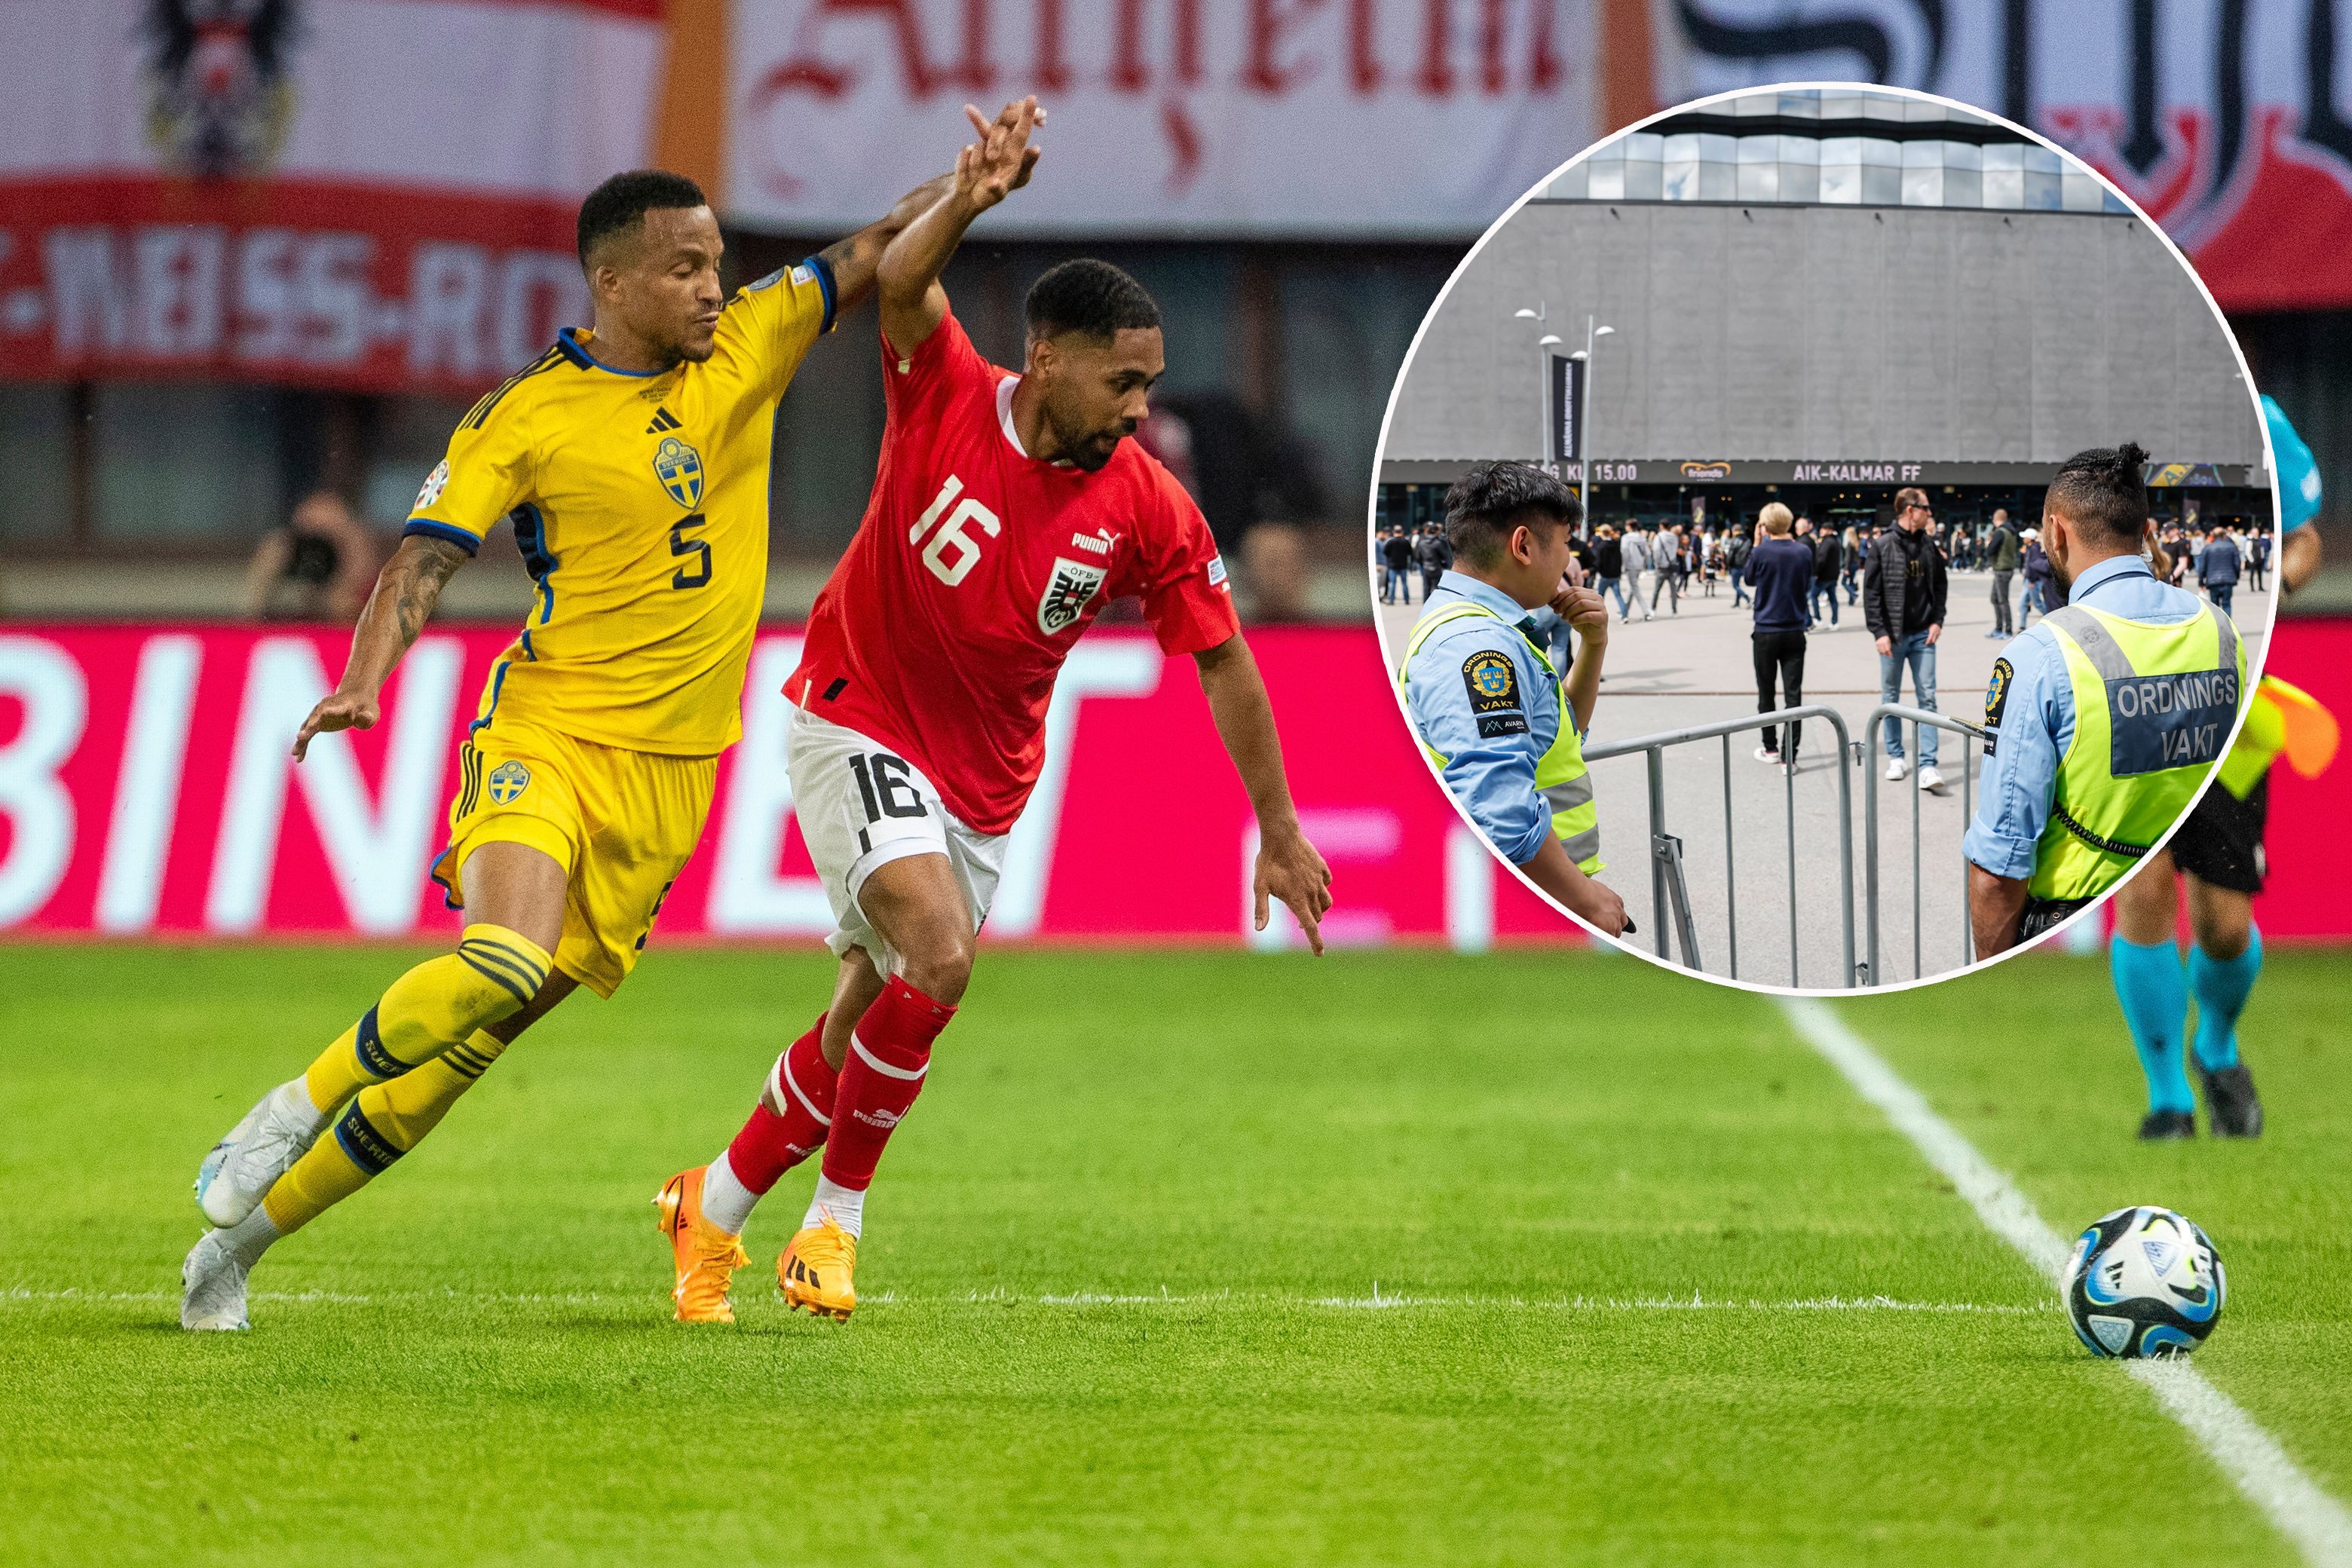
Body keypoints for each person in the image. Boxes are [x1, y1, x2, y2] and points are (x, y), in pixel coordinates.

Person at [179, 139, 977, 1331]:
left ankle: (235, 1250)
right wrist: (365, 678)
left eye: (717, 263)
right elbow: (425, 556)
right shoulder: (529, 415)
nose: (715, 287)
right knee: (501, 958)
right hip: (547, 731)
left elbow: (872, 252)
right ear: (611, 283)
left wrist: (969, 189)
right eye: (684, 268)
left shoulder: (753, 340)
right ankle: (285, 1110)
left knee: (469, 1046)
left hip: (671, 778)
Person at [657, 135, 1333, 1325]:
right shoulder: (947, 391)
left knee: (865, 1016)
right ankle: (835, 1228)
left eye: (1151, 382)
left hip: (982, 791)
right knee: (941, 955)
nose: (1142, 407)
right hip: (850, 715)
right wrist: (968, 199)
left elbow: (1222, 658)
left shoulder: (1147, 505)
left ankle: (708, 1207)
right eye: (1123, 382)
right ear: (1046, 358)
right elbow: (906, 285)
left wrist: (1277, 825)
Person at [2105, 397, 2329, 1139]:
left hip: (2226, 708)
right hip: (2128, 700)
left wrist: (2274, 592)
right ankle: (2168, 1099)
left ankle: (2217, 1044)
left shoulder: (2258, 414)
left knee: (2224, 927)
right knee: (2141, 886)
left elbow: (2305, 541)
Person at [1963, 442, 2247, 958]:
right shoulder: (2221, 629)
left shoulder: (2041, 655)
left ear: (2056, 530)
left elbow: (1997, 871)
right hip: (2170, 889)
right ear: (2145, 534)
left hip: (2070, 910)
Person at [1398, 461, 1625, 938]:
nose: (1570, 562)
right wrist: (1584, 899)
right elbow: (1499, 802)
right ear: (1522, 546)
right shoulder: (1478, 645)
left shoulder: (1494, 627)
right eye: (1565, 545)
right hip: (1536, 903)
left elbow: (1560, 731)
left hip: (1547, 891)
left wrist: (1593, 644)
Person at [1864, 486, 1949, 792]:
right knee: (1891, 698)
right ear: (1911, 510)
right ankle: (1896, 757)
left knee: (1927, 697)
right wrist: (1879, 632)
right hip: (1893, 636)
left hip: (1923, 636)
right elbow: (1871, 593)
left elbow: (1940, 585)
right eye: (1926, 507)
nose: (1930, 513)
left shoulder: (1929, 545)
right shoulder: (1882, 545)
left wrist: (1938, 619)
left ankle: (1929, 764)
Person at [240, 489, 381, 623]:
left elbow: (353, 623)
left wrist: (344, 590)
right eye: (308, 540)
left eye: (328, 542)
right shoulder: (282, 610)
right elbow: (248, 616)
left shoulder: (382, 599)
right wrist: (264, 577)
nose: (316, 555)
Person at [1744, 502, 1813, 768]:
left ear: (1765, 525)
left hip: (1766, 630)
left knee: (1766, 692)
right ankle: (1789, 757)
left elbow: (1749, 579)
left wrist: (1756, 543)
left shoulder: (1761, 552)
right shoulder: (1803, 551)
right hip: (1794, 629)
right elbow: (1807, 582)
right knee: (1793, 695)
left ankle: (1770, 747)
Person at [1985, 507, 2020, 637]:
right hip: (2006, 568)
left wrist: (1988, 543)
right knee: (1995, 598)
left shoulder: (2000, 532)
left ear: (1996, 519)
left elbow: (1990, 550)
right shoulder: (2011, 532)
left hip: (2002, 569)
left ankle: (2007, 630)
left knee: (2002, 600)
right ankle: (1999, 628)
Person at [2196, 522, 2241, 616]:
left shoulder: (2207, 548)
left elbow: (2202, 567)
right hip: (2228, 580)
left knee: (2214, 606)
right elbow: (2237, 564)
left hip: (2213, 580)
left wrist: (2201, 581)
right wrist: (2236, 576)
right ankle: (2228, 627)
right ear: (2224, 535)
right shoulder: (2232, 547)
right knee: (2227, 604)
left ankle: (2217, 627)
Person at [1808, 516, 1842, 626]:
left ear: (1829, 530)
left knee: (1813, 595)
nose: (1821, 531)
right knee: (1833, 599)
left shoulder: (1827, 542)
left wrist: (1816, 572)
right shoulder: (1835, 541)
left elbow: (1821, 559)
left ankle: (1817, 618)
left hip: (1824, 575)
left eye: (1824, 529)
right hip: (1833, 575)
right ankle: (1835, 621)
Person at [1619, 522, 1654, 623]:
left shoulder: (1626, 538)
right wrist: (1645, 565)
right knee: (1631, 588)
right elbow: (1647, 553)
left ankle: (1646, 612)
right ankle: (1624, 610)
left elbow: (1624, 552)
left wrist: (1623, 566)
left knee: (1635, 588)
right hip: (1639, 566)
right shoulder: (1641, 538)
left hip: (1629, 566)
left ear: (1629, 526)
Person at [1414, 519, 1451, 601]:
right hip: (1436, 567)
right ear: (1435, 532)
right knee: (1435, 587)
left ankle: (1425, 605)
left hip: (1425, 567)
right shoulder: (1438, 543)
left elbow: (1417, 557)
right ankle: (1435, 604)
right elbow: (1445, 555)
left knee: (1426, 588)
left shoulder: (1422, 543)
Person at [1381, 525, 1414, 605]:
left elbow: (1385, 552)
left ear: (1394, 532)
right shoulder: (1405, 542)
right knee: (1404, 583)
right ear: (1402, 532)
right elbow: (1410, 553)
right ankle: (1407, 600)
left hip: (1392, 565)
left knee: (1392, 583)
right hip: (1403, 565)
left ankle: (1392, 600)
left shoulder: (1390, 542)